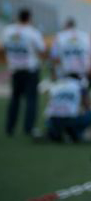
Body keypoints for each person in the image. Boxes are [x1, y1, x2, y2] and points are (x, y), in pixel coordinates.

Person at [2, 8, 45, 136]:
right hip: (30, 70)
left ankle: (10, 127)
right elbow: (41, 49)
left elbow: (3, 47)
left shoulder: (8, 30)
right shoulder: (32, 32)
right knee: (31, 100)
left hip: (15, 69)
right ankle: (29, 128)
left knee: (15, 99)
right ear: (29, 18)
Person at [44, 73, 91, 142]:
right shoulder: (79, 85)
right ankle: (77, 133)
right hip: (70, 119)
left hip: (52, 119)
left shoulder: (57, 85)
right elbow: (87, 105)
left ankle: (56, 132)